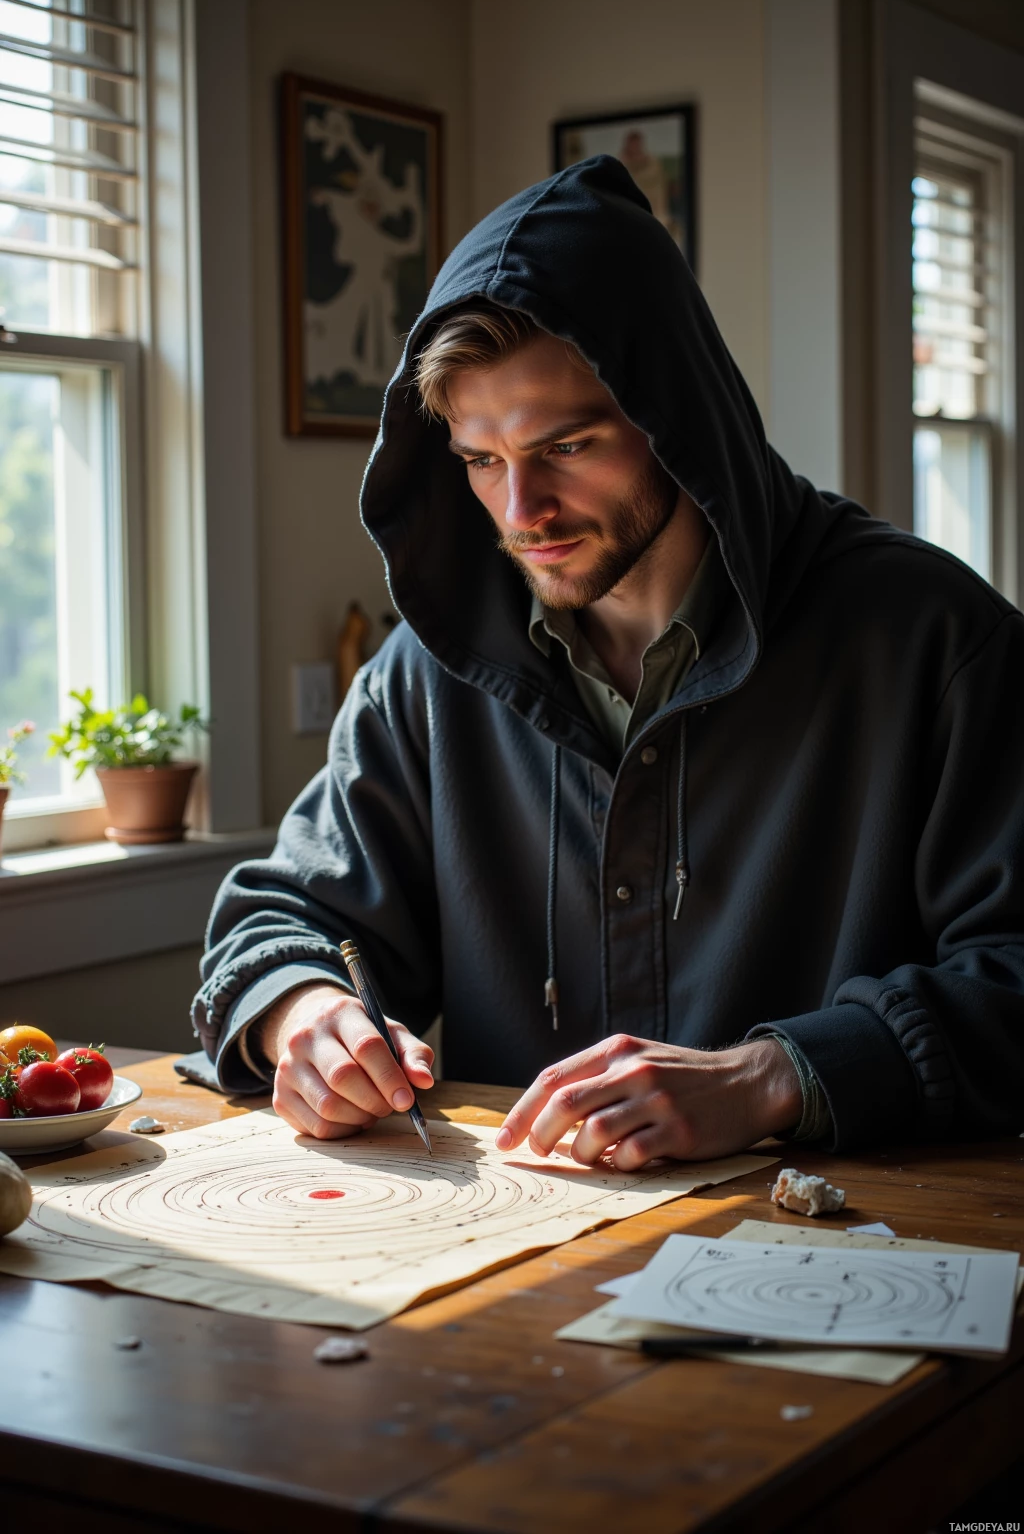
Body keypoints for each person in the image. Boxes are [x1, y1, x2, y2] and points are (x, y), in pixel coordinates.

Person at [194, 156, 1024, 1166]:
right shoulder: (427, 675)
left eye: (568, 446)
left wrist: (772, 1078)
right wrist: (305, 1010)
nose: (519, 512)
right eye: (479, 460)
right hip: (508, 1283)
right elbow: (288, 912)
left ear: (680, 420)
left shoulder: (935, 642)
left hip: (851, 1262)